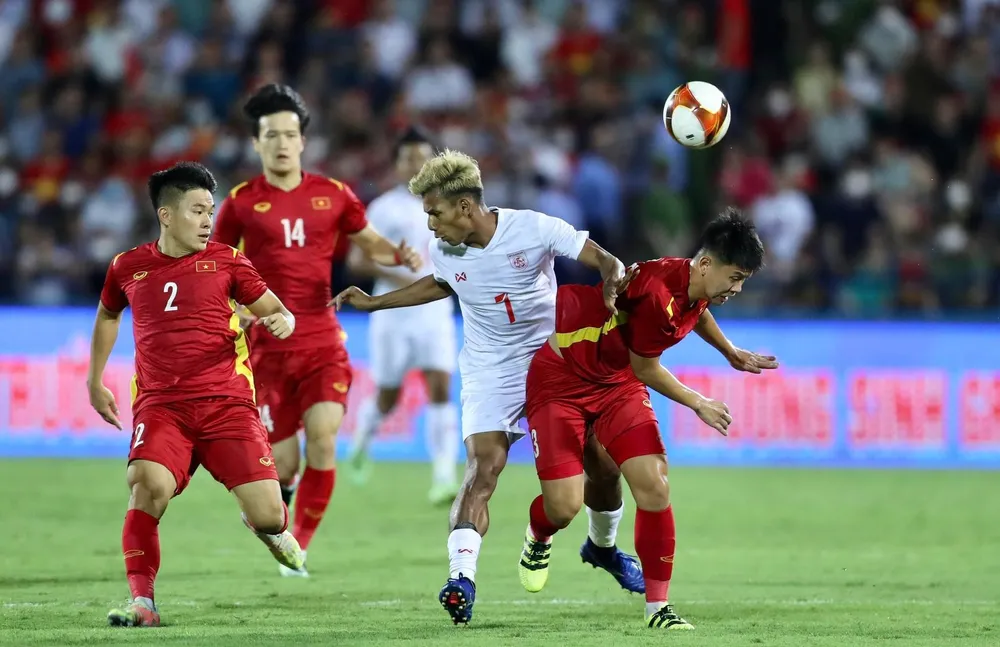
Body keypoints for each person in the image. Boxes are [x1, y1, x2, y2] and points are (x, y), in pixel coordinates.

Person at [334, 150, 644, 625]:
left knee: (601, 464)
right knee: (484, 468)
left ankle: (602, 547)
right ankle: (461, 579)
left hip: (553, 363)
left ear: (464, 207)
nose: (430, 225)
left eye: (434, 212)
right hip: (489, 370)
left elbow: (606, 260)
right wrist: (377, 303)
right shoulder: (445, 248)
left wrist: (611, 283)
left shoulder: (534, 227)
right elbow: (441, 284)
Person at [518, 209, 779, 629]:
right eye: (734, 277)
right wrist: (698, 402)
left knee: (654, 485)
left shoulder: (693, 282)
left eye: (743, 279)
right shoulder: (660, 293)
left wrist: (729, 351)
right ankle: (538, 535)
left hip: (615, 383)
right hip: (562, 378)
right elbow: (646, 368)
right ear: (707, 264)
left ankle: (658, 609)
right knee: (563, 507)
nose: (738, 288)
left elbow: (698, 312)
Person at [212, 84, 421, 577]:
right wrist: (233, 312)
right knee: (282, 467)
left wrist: (399, 255)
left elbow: (369, 242)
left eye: (290, 134)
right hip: (266, 350)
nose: (282, 143)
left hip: (323, 340)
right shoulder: (241, 204)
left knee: (324, 438)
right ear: (257, 144)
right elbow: (215, 267)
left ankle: (297, 547)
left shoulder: (333, 195)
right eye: (271, 136)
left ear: (303, 141)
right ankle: (276, 514)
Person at [88, 162, 305, 628]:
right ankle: (143, 603)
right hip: (162, 405)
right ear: (166, 215)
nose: (208, 220)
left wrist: (282, 320)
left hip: (228, 406)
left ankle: (264, 527)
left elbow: (275, 310)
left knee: (269, 515)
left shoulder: (228, 261)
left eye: (211, 210)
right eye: (198, 210)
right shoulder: (127, 266)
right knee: (147, 486)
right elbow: (108, 315)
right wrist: (94, 379)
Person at [345, 126, 460, 505]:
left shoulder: (450, 205)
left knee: (441, 387)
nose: (416, 164)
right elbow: (357, 260)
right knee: (389, 395)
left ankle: (443, 477)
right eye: (408, 158)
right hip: (394, 311)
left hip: (436, 310)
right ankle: (360, 443)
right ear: (396, 165)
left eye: (422, 157)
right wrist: (407, 276)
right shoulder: (384, 208)